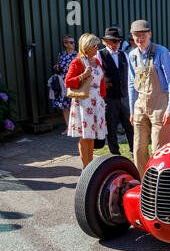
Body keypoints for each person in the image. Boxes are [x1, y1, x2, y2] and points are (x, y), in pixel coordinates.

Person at [128, 20, 170, 178]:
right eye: (137, 36)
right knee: (138, 148)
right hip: (140, 105)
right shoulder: (132, 55)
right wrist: (131, 110)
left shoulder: (161, 52)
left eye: (143, 35)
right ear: (132, 36)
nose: (140, 39)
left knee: (159, 148)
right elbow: (131, 84)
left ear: (150, 34)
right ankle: (142, 182)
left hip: (160, 105)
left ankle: (159, 182)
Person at [65, 33, 107, 169]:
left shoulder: (96, 61)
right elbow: (68, 82)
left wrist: (102, 98)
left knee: (92, 136)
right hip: (84, 102)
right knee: (85, 136)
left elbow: (100, 82)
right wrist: (83, 75)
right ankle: (86, 168)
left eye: (98, 45)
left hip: (97, 102)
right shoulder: (77, 62)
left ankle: (90, 167)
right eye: (95, 45)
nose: (97, 48)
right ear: (87, 46)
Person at [97, 27, 134, 156]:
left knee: (130, 125)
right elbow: (97, 76)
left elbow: (130, 75)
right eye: (114, 41)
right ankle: (115, 154)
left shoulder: (124, 54)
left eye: (118, 41)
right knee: (111, 127)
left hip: (124, 96)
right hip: (109, 97)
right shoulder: (100, 55)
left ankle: (133, 150)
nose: (117, 44)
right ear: (106, 41)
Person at [52, 35, 78, 135]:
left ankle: (76, 127)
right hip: (63, 83)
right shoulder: (61, 55)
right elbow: (58, 66)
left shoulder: (77, 55)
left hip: (73, 82)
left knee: (74, 105)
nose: (73, 44)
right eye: (71, 42)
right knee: (64, 106)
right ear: (65, 44)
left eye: (74, 42)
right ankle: (68, 127)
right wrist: (57, 66)